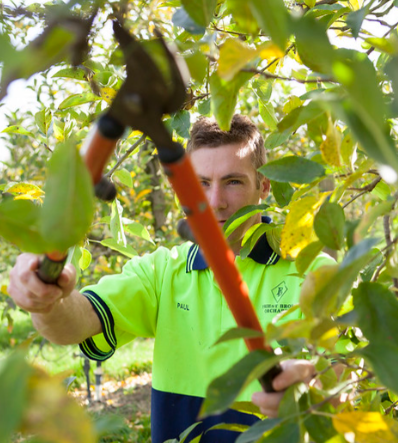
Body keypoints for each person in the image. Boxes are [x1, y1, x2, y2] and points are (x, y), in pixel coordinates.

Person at [9, 114, 334, 443]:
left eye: (233, 182)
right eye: (201, 184)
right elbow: (75, 324)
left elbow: (353, 371)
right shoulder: (162, 272)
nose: (215, 202)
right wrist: (46, 298)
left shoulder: (313, 271)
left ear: (263, 186)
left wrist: (317, 387)